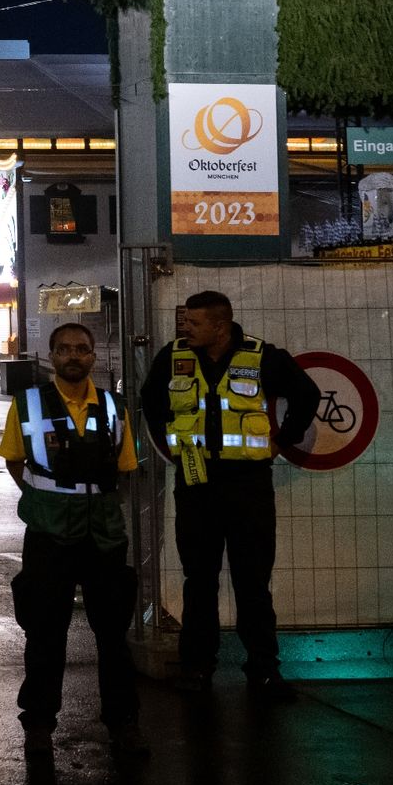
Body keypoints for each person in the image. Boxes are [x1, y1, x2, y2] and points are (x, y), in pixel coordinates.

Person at [142, 289, 321, 700]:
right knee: (198, 581)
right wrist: (168, 447)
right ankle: (197, 668)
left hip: (248, 486)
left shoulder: (263, 357)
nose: (186, 328)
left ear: (220, 326)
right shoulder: (173, 356)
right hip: (196, 484)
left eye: (195, 322)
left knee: (253, 582)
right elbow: (151, 402)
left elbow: (307, 395)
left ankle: (263, 671)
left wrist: (283, 441)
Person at [1, 324, 147, 755]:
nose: (73, 356)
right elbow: (15, 460)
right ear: (52, 355)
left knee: (112, 635)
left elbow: (125, 467)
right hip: (48, 534)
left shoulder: (111, 405)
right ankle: (39, 726)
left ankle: (124, 724)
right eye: (64, 349)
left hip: (103, 534)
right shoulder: (28, 404)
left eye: (81, 349)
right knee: (45, 632)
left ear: (93, 356)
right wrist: (47, 500)